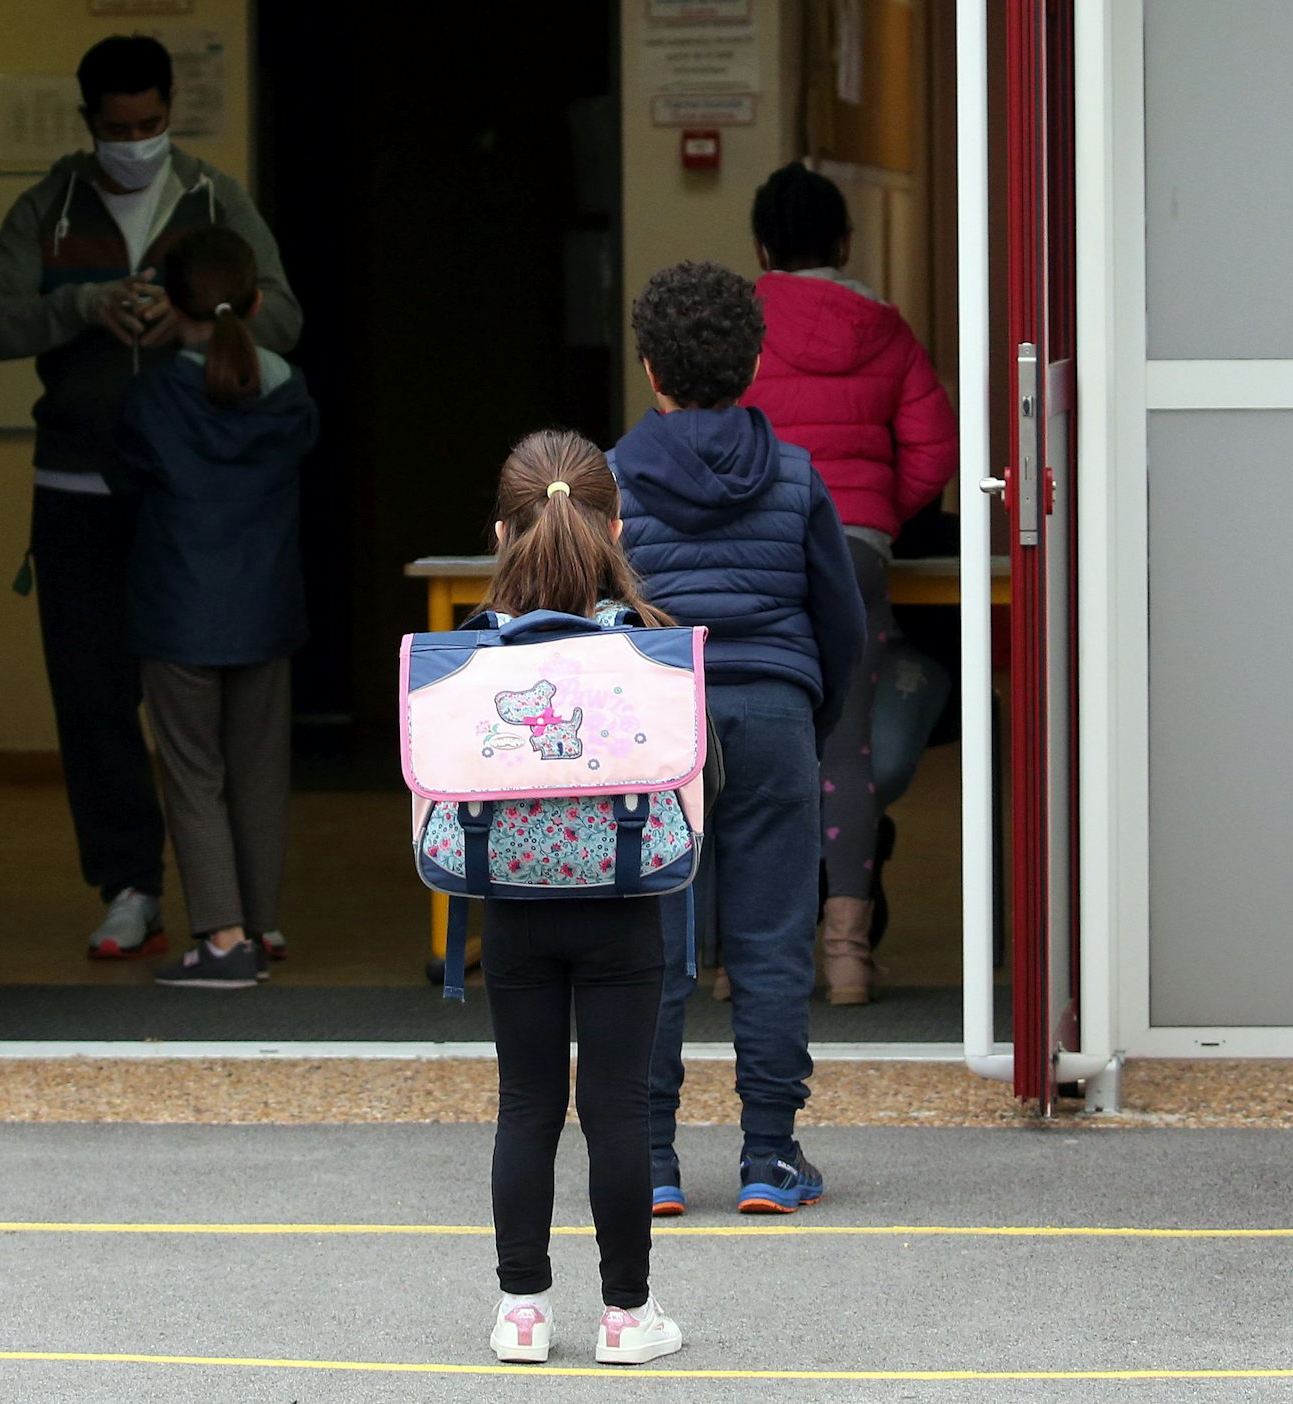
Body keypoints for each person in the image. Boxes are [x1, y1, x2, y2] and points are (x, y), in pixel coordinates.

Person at [0, 35, 302, 962]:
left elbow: (285, 315)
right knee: (91, 692)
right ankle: (127, 885)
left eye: (151, 123)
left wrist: (199, 319)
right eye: (119, 128)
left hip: (186, 500)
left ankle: (231, 905)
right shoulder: (50, 204)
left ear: (169, 113)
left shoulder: (210, 196)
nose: (136, 139)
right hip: (78, 484)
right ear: (89, 124)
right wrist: (80, 308)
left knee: (199, 708)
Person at [609, 261, 865, 1216]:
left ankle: (653, 1161)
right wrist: (808, 715)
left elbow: (596, 618)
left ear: (649, 369)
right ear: (756, 361)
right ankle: (768, 1157)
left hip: (654, 721)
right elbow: (840, 622)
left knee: (656, 944)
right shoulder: (795, 476)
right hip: (772, 714)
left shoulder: (613, 479)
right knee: (768, 940)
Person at [469, 430, 685, 1366]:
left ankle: (522, 1311)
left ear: (501, 532)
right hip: (623, 892)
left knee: (525, 1104)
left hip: (509, 895)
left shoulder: (472, 649)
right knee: (617, 1105)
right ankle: (627, 1319)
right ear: (616, 527)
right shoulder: (643, 642)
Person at [739, 162, 960, 1004]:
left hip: (758, 551)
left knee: (748, 744)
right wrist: (875, 518)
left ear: (762, 245)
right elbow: (935, 451)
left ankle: (754, 957)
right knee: (848, 753)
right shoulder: (887, 328)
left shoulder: (741, 325)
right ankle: (847, 959)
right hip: (856, 547)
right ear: (844, 243)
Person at [103, 227, 317, 989]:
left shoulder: (152, 393)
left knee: (194, 775)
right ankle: (258, 924)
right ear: (258, 301)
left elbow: (122, 479)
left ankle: (223, 943)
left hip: (178, 609)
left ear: (172, 304)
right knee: (260, 772)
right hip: (266, 609)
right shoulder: (288, 391)